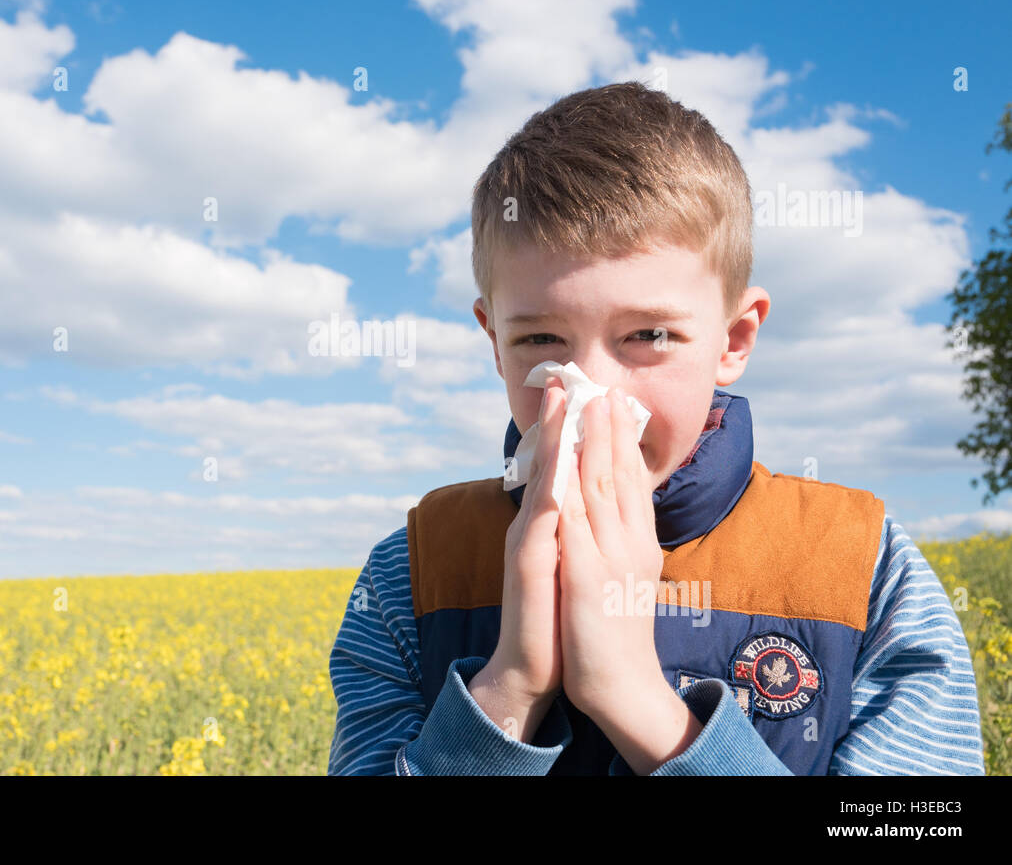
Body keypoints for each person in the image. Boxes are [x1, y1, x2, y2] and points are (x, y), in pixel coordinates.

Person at [327, 81, 985, 775]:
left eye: (648, 334)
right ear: (494, 341)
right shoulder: (415, 571)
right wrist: (508, 690)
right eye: (542, 339)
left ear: (732, 339)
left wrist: (638, 700)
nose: (592, 389)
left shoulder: (860, 566)